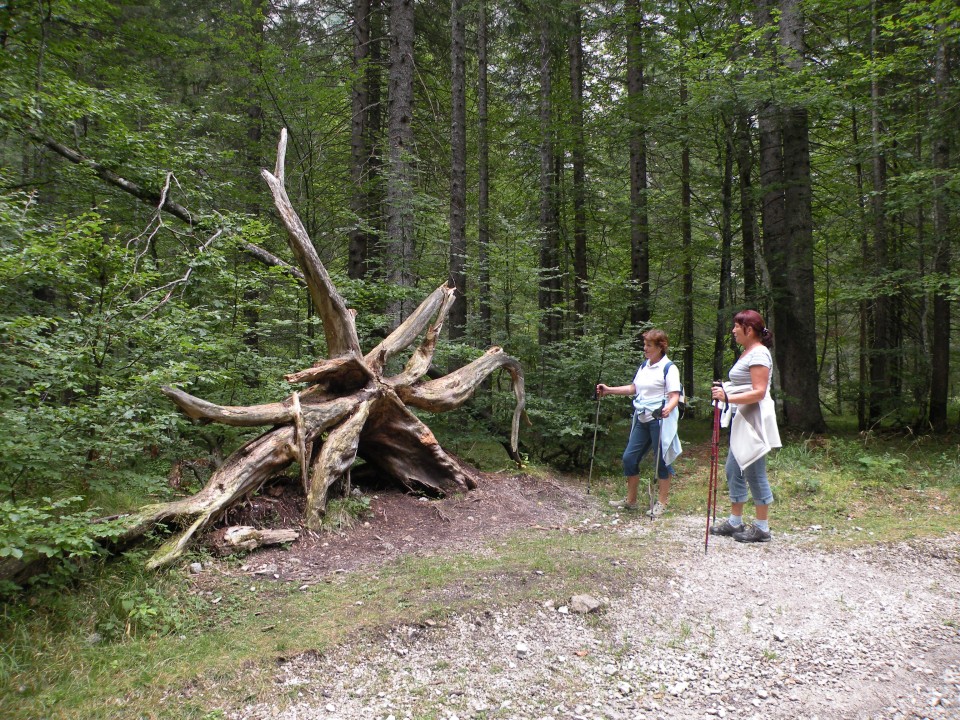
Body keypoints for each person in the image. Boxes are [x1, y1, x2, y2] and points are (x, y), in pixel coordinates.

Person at [709, 309, 782, 543]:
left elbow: (759, 392)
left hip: (755, 419)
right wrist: (726, 388)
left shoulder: (759, 353)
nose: (733, 330)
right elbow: (745, 385)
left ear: (748, 330)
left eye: (736, 326)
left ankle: (762, 528)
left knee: (753, 471)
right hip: (744, 417)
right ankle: (735, 521)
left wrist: (727, 397)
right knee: (734, 468)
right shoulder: (748, 352)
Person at [596, 329, 682, 518]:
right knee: (629, 458)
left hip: (659, 420)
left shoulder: (669, 368)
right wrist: (609, 390)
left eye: (648, 346)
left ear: (660, 347)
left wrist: (668, 408)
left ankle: (662, 502)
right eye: (645, 345)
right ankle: (631, 500)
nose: (645, 349)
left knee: (661, 460)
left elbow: (675, 395)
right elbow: (634, 388)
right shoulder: (644, 366)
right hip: (642, 418)